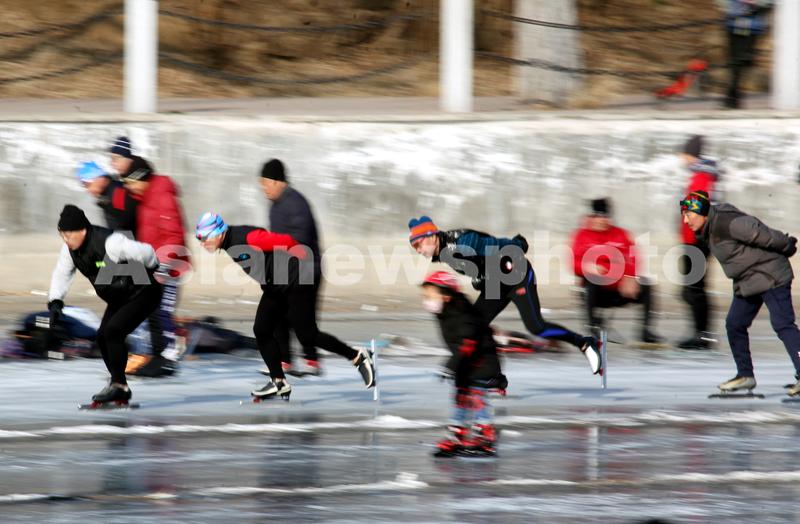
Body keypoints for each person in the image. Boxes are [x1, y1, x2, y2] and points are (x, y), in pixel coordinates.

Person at [194, 212, 375, 399]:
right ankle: (278, 382)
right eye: (199, 239)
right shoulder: (229, 243)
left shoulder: (247, 237)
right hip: (275, 287)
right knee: (262, 330)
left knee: (307, 335)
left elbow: (286, 241)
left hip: (296, 281)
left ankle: (357, 356)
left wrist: (302, 262)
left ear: (218, 232)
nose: (202, 243)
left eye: (204, 238)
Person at [409, 216, 602, 374]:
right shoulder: (446, 252)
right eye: (414, 247)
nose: (418, 250)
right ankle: (488, 375)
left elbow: (495, 245)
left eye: (419, 244)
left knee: (537, 326)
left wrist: (516, 244)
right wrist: (480, 279)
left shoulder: (462, 242)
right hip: (496, 282)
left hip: (516, 274)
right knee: (472, 327)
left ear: (432, 236)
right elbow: (480, 266)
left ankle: (585, 343)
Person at [681, 191, 800, 395]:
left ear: (701, 212)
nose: (685, 221)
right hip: (748, 282)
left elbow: (763, 234)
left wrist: (787, 244)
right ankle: (745, 376)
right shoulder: (707, 229)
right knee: (735, 324)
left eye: (688, 215)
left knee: (783, 324)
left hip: (771, 275)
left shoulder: (729, 222)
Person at [47, 205, 162, 405]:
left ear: (82, 230)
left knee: (113, 332)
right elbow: (62, 273)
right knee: (102, 337)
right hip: (120, 297)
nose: (65, 239)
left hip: (144, 292)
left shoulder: (111, 242)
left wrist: (153, 265)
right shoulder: (69, 250)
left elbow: (146, 251)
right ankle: (119, 386)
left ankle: (119, 386)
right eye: (61, 235)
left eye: (68, 234)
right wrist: (55, 301)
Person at [115, 139, 190, 378]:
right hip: (154, 264)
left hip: (169, 265)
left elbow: (174, 234)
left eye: (132, 183)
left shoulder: (161, 195)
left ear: (142, 178)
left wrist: (165, 265)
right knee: (152, 311)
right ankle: (159, 357)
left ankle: (167, 360)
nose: (130, 189)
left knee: (162, 311)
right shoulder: (145, 197)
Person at [422, 270, 507, 457]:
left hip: (481, 362)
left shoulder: (462, 313)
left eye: (430, 296)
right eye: (425, 296)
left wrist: (450, 366)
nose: (426, 300)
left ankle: (485, 436)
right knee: (461, 398)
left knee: (477, 398)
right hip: (466, 364)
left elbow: (468, 343)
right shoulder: (445, 312)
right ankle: (457, 434)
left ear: (446, 296)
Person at [260, 159, 323, 377]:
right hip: (285, 269)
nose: (263, 188)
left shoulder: (296, 203)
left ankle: (312, 361)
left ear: (278, 181)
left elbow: (301, 237)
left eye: (266, 183)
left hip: (306, 268)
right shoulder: (275, 205)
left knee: (301, 318)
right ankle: (284, 360)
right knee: (277, 315)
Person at [571, 198, 661, 344]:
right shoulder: (581, 235)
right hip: (597, 292)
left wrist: (630, 276)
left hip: (620, 289)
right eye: (598, 216)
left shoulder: (621, 234)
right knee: (590, 281)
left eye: (606, 217)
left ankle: (646, 331)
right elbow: (572, 263)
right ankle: (593, 328)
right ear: (591, 217)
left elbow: (633, 257)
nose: (603, 220)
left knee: (647, 284)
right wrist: (587, 267)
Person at [677, 135, 720, 350]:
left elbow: (696, 212)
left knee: (694, 288)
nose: (681, 158)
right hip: (695, 240)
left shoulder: (701, 176)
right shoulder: (702, 175)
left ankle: (702, 335)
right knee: (691, 288)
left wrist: (692, 239)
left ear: (690, 154)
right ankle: (701, 333)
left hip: (697, 241)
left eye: (684, 153)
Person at [720, 0, 773, 109]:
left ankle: (733, 94)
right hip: (734, 23)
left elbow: (770, 2)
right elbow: (722, 3)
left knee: (743, 60)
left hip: (752, 25)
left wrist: (757, 3)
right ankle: (733, 95)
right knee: (736, 59)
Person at [75, 161, 138, 235]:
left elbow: (128, 224)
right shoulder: (106, 196)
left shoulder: (117, 193)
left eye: (88, 185)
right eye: (85, 186)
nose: (88, 190)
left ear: (99, 178)